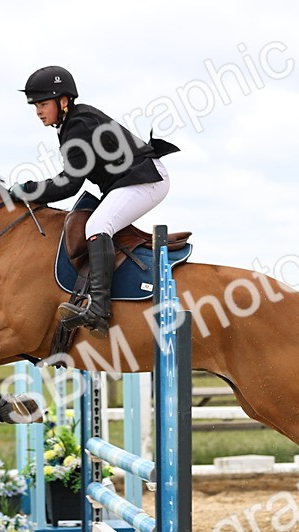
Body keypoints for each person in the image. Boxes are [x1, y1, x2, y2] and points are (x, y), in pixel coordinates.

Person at [11, 66, 178, 338]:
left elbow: (69, 183)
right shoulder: (73, 123)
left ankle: (99, 310)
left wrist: (27, 190)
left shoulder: (79, 126)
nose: (38, 111)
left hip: (146, 180)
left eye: (43, 104)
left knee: (97, 226)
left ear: (63, 101)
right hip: (130, 181)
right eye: (36, 106)